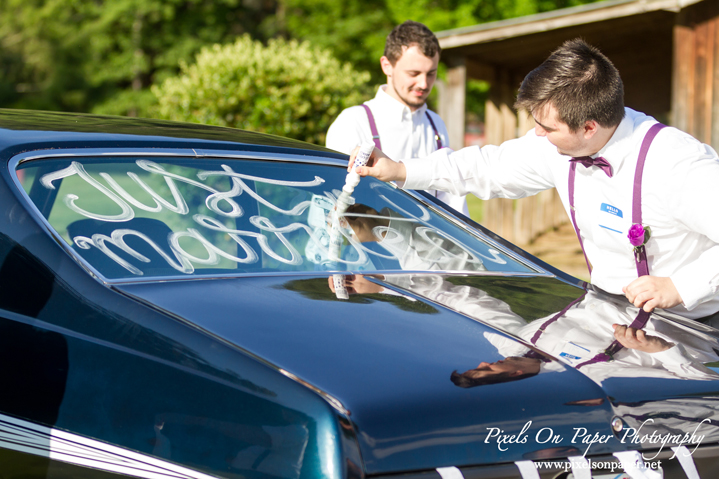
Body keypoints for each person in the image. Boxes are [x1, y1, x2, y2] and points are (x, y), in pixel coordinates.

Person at [349, 39, 719, 320]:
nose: (537, 135)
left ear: (589, 127)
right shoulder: (556, 144)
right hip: (608, 315)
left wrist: (679, 286)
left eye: (546, 127)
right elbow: (488, 167)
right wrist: (401, 170)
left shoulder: (678, 164)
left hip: (697, 326)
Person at [326, 20, 469, 216]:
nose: (424, 83)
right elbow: (333, 205)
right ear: (387, 66)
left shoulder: (437, 125)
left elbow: (450, 200)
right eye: (414, 73)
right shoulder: (352, 122)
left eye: (431, 74)